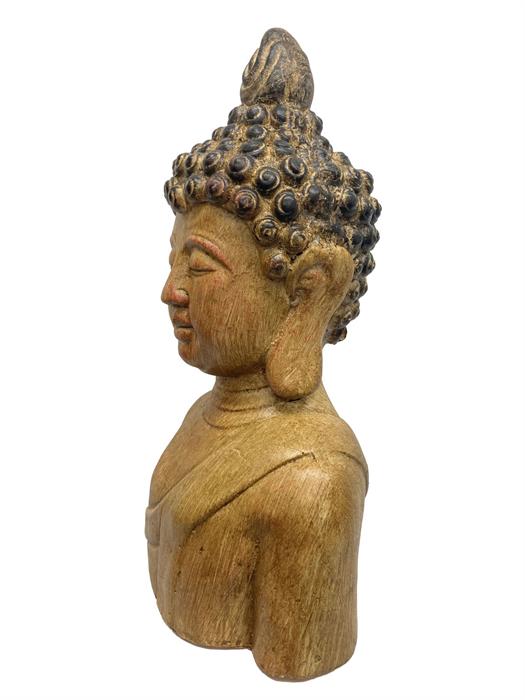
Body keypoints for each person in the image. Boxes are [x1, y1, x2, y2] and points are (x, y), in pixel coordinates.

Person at [145, 27, 380, 681]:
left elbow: (300, 662)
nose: (171, 291)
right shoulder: (204, 414)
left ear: (306, 292)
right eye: (174, 261)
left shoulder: (315, 482)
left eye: (200, 266)